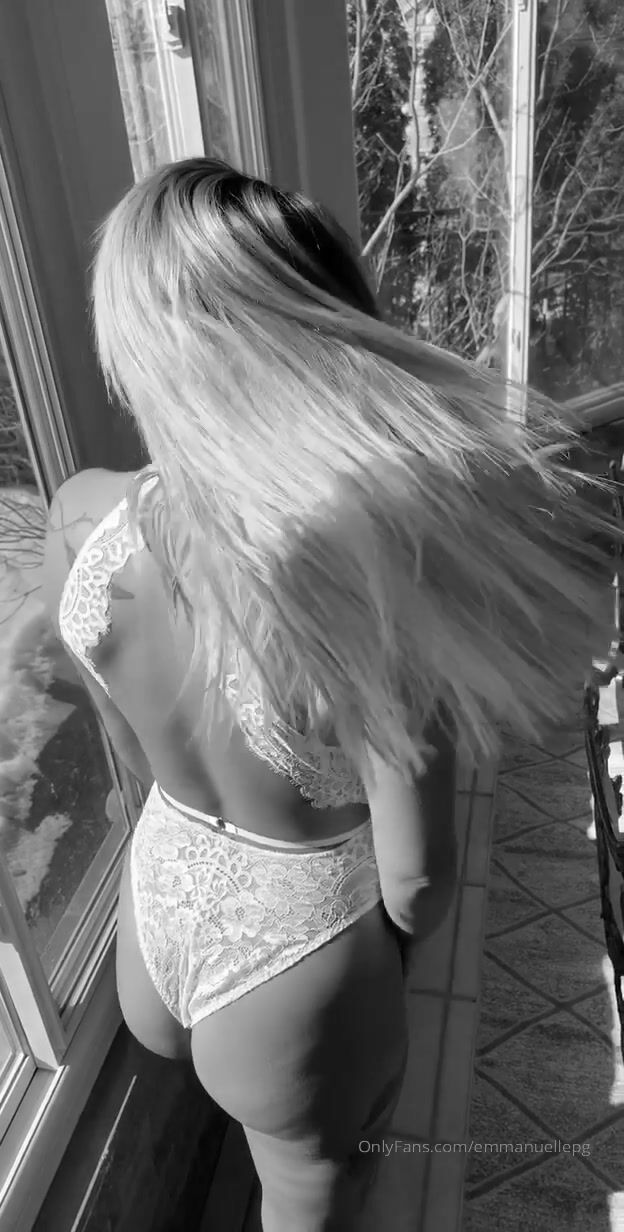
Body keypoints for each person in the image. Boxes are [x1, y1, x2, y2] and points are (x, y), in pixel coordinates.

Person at [41, 158, 618, 1230]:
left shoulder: (82, 511)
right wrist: (372, 973)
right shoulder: (362, 587)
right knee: (315, 1192)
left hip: (155, 908)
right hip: (295, 962)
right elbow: (418, 881)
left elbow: (127, 742)